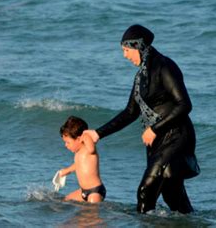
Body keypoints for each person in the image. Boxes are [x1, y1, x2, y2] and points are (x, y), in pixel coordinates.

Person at [82, 24, 199, 214]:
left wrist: (154, 129)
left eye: (126, 50)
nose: (125, 55)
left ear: (138, 46)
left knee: (146, 191)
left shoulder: (165, 66)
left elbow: (184, 104)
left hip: (176, 137)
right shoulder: (140, 76)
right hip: (157, 142)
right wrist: (97, 133)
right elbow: (130, 112)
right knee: (172, 196)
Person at [59, 116, 106, 203]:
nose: (66, 145)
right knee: (65, 200)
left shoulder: (88, 149)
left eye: (68, 142)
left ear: (78, 139)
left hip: (95, 192)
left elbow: (92, 149)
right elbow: (78, 165)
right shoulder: (78, 153)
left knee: (91, 215)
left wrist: (86, 136)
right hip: (83, 191)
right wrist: (66, 171)